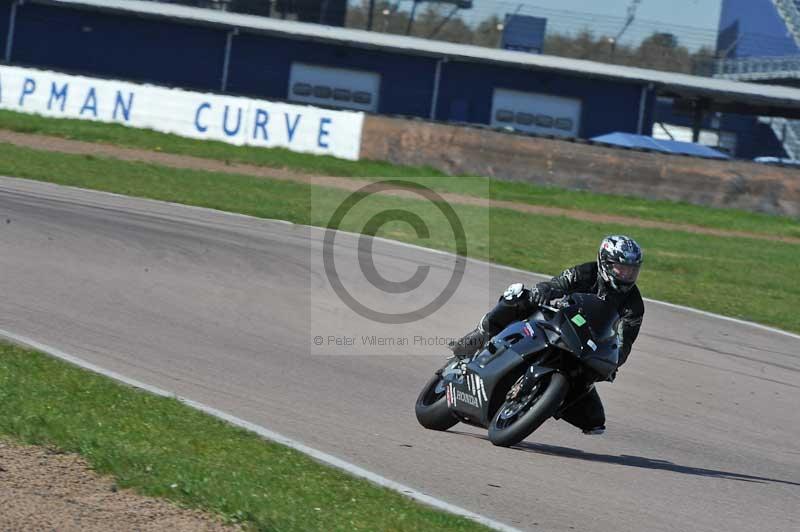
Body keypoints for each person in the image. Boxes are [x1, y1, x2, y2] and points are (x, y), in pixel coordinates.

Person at [449, 235, 645, 435]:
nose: (626, 275)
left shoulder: (634, 305)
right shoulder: (586, 272)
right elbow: (556, 285)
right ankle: (481, 333)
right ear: (604, 262)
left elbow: (624, 342)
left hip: (587, 347)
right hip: (558, 322)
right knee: (519, 297)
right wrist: (544, 291)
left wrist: (613, 362)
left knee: (594, 420)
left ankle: (541, 399)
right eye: (621, 268)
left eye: (632, 270)